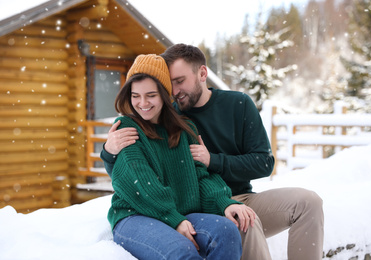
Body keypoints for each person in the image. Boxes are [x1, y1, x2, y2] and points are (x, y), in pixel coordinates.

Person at [102, 45, 324, 260]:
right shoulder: (163, 114)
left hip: (228, 196)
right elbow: (133, 175)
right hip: (199, 203)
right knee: (245, 222)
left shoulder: (233, 106)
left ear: (202, 73)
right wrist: (109, 152)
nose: (176, 92)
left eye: (180, 82)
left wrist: (213, 161)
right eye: (170, 86)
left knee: (308, 202)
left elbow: (263, 163)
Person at [106, 54, 255, 260]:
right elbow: (140, 184)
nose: (142, 103)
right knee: (181, 251)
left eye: (151, 95)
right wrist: (174, 219)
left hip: (179, 212)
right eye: (135, 96)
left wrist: (224, 202)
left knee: (227, 232)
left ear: (165, 95)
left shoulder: (185, 129)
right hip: (135, 215)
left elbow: (201, 176)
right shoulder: (127, 128)